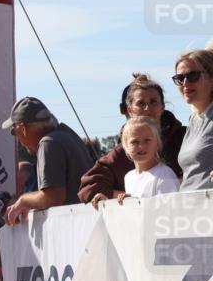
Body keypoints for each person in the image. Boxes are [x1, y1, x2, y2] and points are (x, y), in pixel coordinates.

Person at [79, 73, 186, 204]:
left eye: (153, 102)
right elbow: (88, 188)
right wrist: (131, 199)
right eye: (141, 103)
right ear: (130, 110)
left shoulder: (185, 137)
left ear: (162, 106)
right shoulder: (123, 151)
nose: (148, 109)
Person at [3, 97, 94, 225]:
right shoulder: (68, 136)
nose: (17, 138)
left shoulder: (48, 143)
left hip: (74, 230)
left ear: (23, 129)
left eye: (15, 131)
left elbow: (53, 197)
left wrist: (23, 201)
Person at [97, 116, 179, 206]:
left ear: (157, 144)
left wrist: (134, 204)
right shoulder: (129, 177)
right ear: (125, 147)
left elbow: (169, 211)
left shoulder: (165, 174)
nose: (141, 146)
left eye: (147, 140)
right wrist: (108, 203)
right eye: (134, 142)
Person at [173, 47, 213, 192]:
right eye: (179, 78)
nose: (185, 83)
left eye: (193, 76)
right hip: (191, 210)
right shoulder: (193, 120)